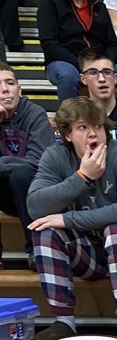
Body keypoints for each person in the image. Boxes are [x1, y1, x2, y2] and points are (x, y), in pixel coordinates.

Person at [27, 97, 117, 340]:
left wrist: (68, 219)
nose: (93, 134)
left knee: (116, 230)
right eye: (82, 127)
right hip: (89, 252)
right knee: (45, 231)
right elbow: (35, 207)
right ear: (67, 135)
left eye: (98, 126)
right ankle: (64, 321)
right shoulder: (55, 156)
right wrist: (82, 177)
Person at [0, 62, 55, 269]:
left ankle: (35, 249)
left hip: (34, 191)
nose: (5, 89)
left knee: (21, 175)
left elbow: (39, 160)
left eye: (10, 83)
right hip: (5, 193)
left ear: (19, 89)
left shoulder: (35, 114)